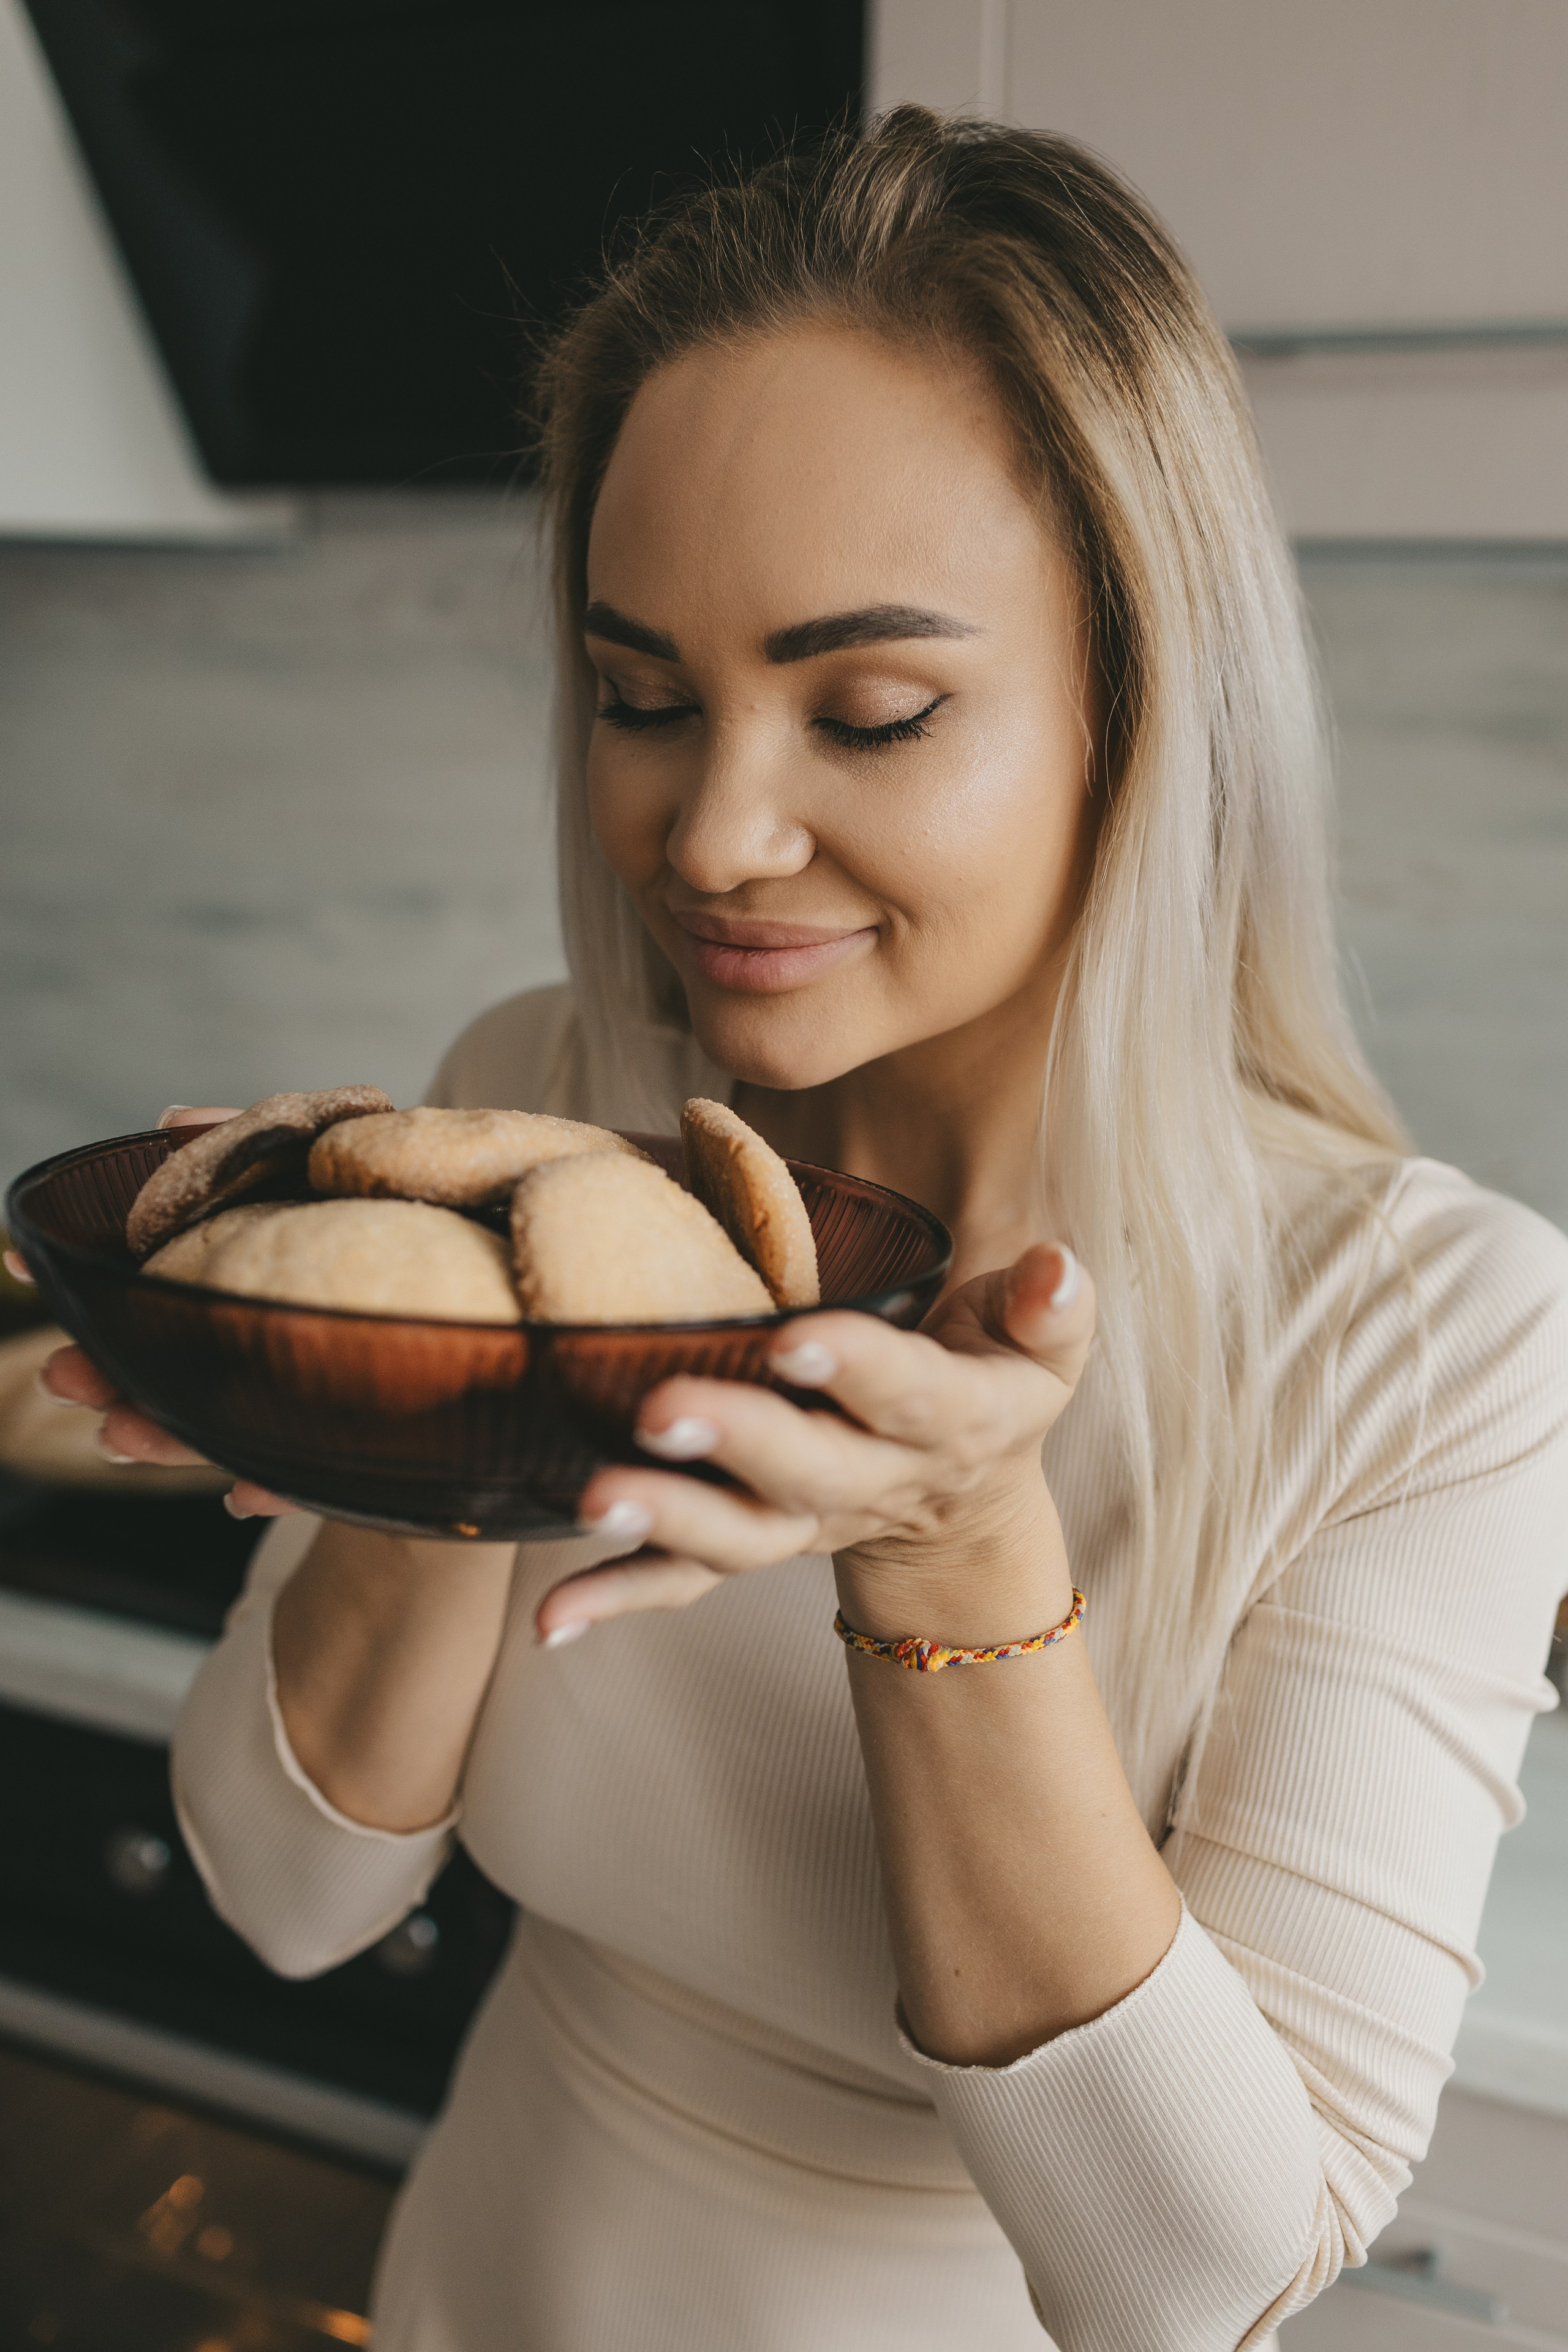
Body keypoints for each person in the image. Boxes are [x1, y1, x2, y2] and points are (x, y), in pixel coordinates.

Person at [37, 107, 1568, 2350]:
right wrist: (423, 1422)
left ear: (1145, 711)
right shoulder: (551, 1107)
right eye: (642, 698)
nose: (718, 831)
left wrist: (956, 1548)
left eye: (871, 710)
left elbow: (1193, 2280)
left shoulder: (1432, 1335)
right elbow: (282, 1895)